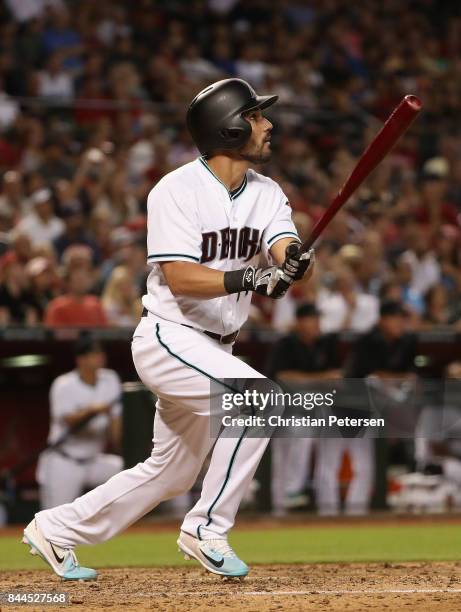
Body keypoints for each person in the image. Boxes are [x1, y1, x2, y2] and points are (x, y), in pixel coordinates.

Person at [23, 78, 315, 580]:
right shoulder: (175, 190)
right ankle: (207, 528)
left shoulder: (266, 192)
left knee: (172, 472)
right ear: (227, 128)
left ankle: (56, 529)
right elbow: (180, 277)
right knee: (260, 399)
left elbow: (281, 244)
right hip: (170, 336)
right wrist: (253, 276)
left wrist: (293, 263)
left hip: (215, 347)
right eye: (256, 116)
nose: (268, 125)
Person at [315, 299, 417, 515]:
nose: (400, 323)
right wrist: (398, 379)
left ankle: (356, 512)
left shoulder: (405, 342)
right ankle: (327, 513)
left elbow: (407, 377)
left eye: (402, 319)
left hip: (365, 410)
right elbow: (373, 375)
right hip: (341, 405)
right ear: (383, 320)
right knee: (329, 463)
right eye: (395, 318)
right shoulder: (368, 340)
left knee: (364, 466)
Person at [266, 302, 342, 515]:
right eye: (312, 318)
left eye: (318, 318)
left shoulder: (325, 344)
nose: (317, 323)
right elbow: (282, 376)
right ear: (300, 321)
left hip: (314, 409)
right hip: (283, 411)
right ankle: (283, 503)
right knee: (283, 459)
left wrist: (309, 381)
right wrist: (319, 380)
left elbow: (337, 379)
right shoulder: (285, 344)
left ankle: (318, 504)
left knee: (316, 446)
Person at [36, 337, 123, 509]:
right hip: (65, 460)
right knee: (54, 518)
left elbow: (115, 422)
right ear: (81, 359)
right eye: (94, 353)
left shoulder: (110, 379)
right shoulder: (64, 384)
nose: (100, 356)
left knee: (128, 471)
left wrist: (121, 446)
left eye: (101, 352)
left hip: (94, 460)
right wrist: (92, 410)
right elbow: (68, 420)